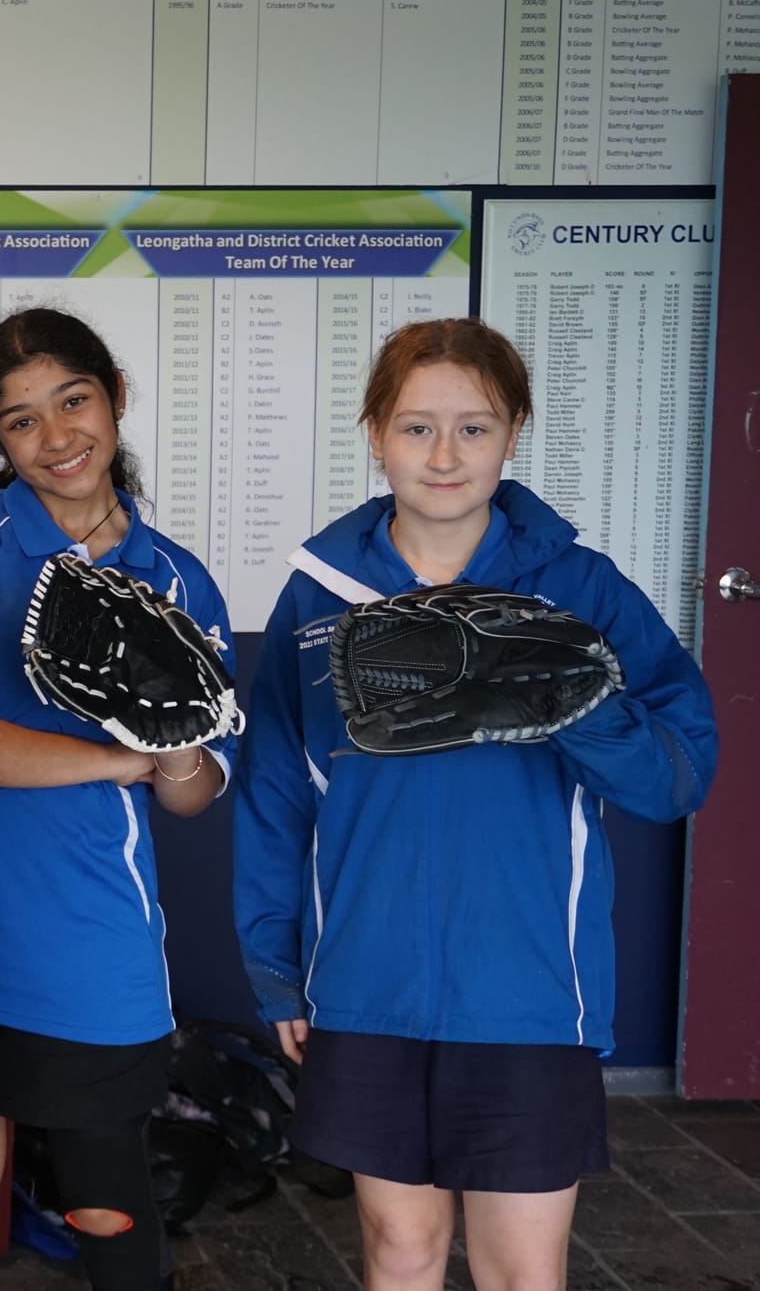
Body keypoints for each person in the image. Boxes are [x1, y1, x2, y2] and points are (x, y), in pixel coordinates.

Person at [233, 318, 717, 1291]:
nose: (442, 455)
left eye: (472, 427)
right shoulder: (317, 592)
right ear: (373, 434)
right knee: (396, 1250)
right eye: (415, 428)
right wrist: (277, 970)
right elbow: (275, 794)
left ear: (511, 433)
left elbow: (674, 777)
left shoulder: (577, 590)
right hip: (367, 979)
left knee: (517, 1272)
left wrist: (575, 704)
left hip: (526, 989)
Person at [0, 307, 236, 1291]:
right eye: (20, 419)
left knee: (103, 1201)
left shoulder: (174, 580)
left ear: (113, 395)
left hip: (90, 939)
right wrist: (120, 759)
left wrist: (171, 754)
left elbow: (194, 793)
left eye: (72, 400)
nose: (55, 436)